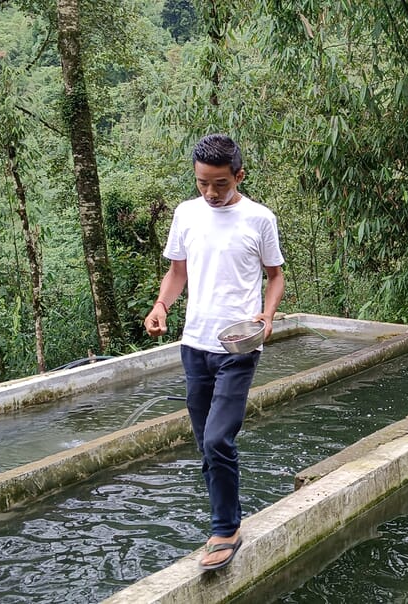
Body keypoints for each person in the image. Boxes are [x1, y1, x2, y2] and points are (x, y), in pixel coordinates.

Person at [143, 133, 285, 571]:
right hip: (195, 345)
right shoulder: (186, 213)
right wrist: (161, 304)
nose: (210, 192)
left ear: (239, 176)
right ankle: (222, 515)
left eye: (220, 184)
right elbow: (177, 271)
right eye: (203, 182)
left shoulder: (259, 219)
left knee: (218, 437)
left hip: (238, 346)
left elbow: (275, 276)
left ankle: (226, 528)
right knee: (206, 445)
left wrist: (268, 314)